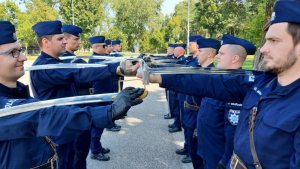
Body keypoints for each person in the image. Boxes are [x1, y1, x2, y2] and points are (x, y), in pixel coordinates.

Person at [141, 0, 300, 168]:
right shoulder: (261, 83)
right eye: (266, 40)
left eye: (274, 40)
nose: (264, 48)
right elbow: (206, 82)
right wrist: (155, 76)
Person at [0, 20, 144, 169]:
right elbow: (44, 114)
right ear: (45, 42)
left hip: (68, 127)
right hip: (61, 133)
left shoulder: (18, 89)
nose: (23, 57)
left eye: (20, 50)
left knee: (78, 161)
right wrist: (108, 111)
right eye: (13, 52)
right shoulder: (43, 67)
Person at [180, 35, 203, 164]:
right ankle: (187, 147)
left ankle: (191, 151)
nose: (189, 46)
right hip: (187, 99)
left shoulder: (198, 64)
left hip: (194, 103)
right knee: (186, 125)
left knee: (191, 127)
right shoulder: (191, 60)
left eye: (192, 44)